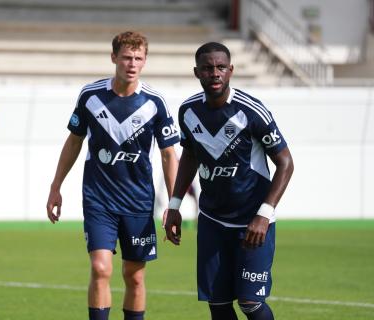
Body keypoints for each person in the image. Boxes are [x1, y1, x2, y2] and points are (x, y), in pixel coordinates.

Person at [46, 31, 179, 320]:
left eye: (138, 58)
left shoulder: (156, 102)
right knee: (100, 268)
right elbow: (73, 142)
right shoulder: (91, 95)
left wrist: (175, 203)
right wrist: (56, 186)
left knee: (134, 276)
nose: (132, 64)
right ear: (113, 58)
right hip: (99, 199)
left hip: (138, 202)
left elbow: (170, 155)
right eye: (126, 57)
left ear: (145, 61)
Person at [164, 42, 294, 320]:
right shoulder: (188, 111)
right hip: (212, 221)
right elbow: (189, 155)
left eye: (221, 67)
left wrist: (264, 214)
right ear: (197, 72)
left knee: (250, 302)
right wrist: (174, 204)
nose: (215, 73)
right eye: (208, 68)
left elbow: (285, 162)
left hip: (252, 222)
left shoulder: (251, 111)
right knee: (218, 304)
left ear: (231, 70)